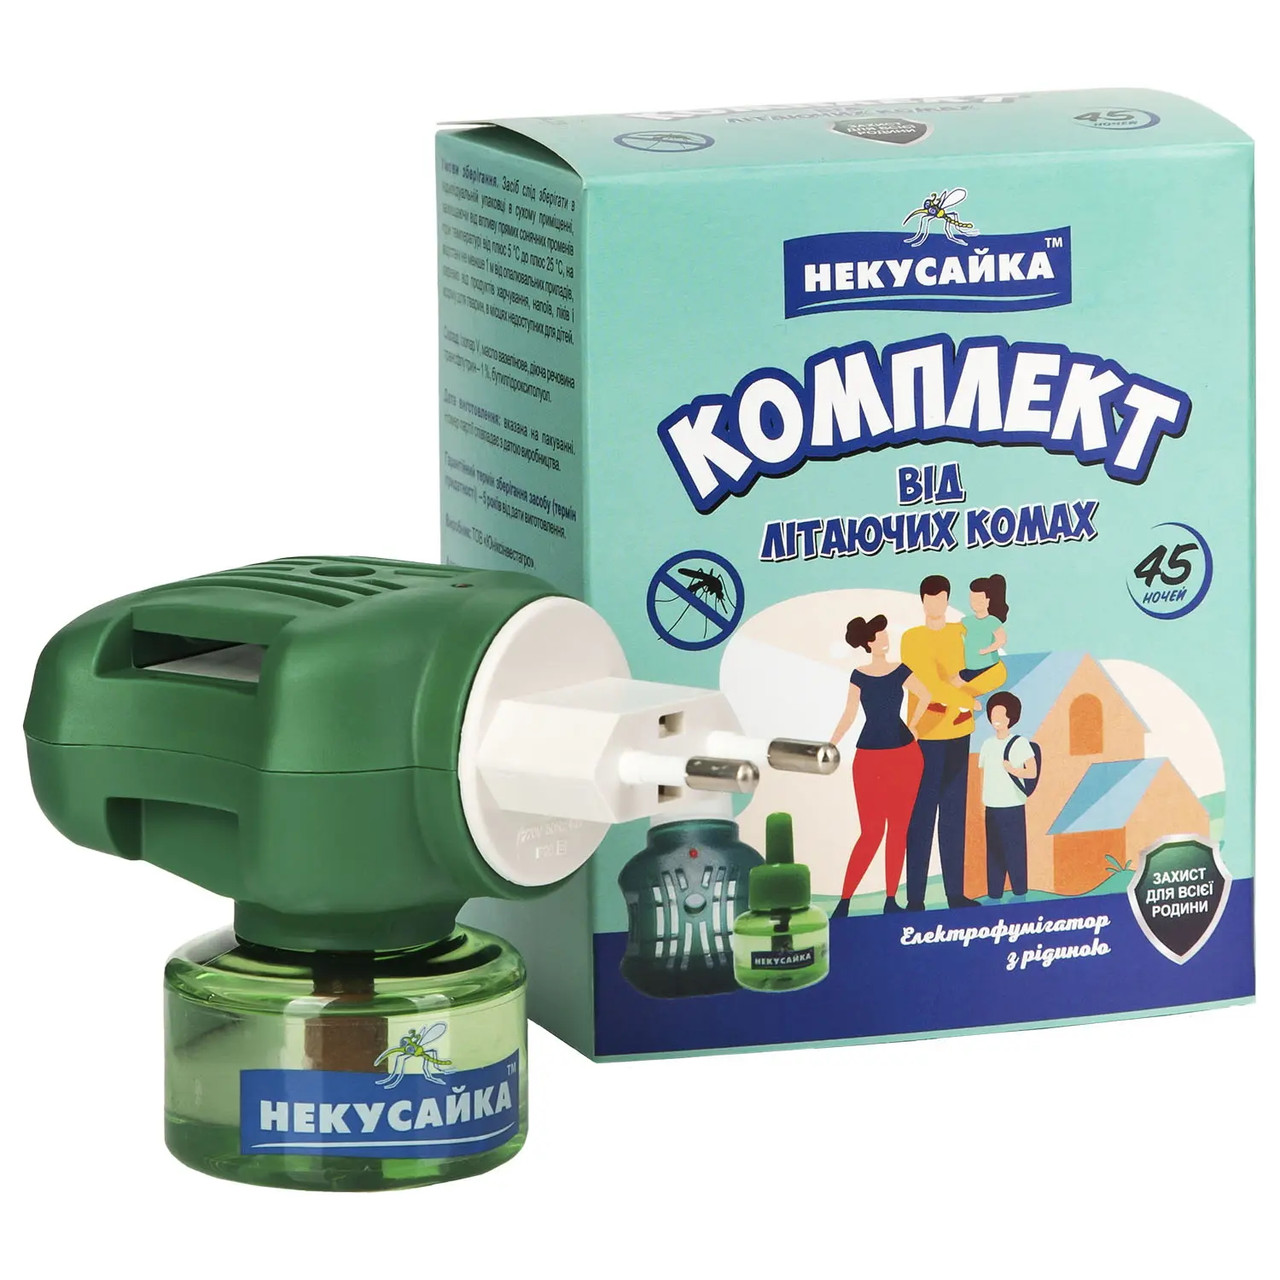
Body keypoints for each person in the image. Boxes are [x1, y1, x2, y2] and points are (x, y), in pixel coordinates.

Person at [900, 575, 1006, 910]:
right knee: (920, 817)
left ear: (947, 599)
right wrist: (964, 699)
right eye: (930, 598)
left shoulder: (962, 632)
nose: (936, 604)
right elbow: (929, 685)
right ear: (922, 601)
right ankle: (915, 899)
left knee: (954, 816)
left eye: (942, 597)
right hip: (925, 738)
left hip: (959, 735)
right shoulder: (912, 638)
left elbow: (996, 670)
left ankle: (954, 895)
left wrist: (962, 687)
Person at [828, 615, 931, 917]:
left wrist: (914, 725)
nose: (885, 638)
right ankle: (845, 901)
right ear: (869, 642)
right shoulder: (858, 675)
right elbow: (849, 713)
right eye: (880, 635)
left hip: (905, 755)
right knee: (871, 832)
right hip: (870, 758)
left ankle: (890, 900)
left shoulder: (900, 670)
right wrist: (832, 743)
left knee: (898, 830)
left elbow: (925, 694)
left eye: (885, 634)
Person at [977, 692, 1037, 900]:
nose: (997, 719)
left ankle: (1020, 892)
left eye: (1002, 714)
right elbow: (983, 774)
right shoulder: (987, 744)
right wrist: (982, 801)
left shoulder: (1020, 743)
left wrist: (1013, 770)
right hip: (991, 807)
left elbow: (1032, 772)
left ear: (1011, 717)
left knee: (1015, 852)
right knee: (994, 853)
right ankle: (994, 893)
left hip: (1013, 805)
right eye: (993, 714)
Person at [949, 575, 1010, 722]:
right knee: (951, 682)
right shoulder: (968, 620)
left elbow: (1001, 640)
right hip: (971, 665)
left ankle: (967, 708)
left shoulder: (992, 621)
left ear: (988, 601)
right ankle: (951, 704)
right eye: (972, 599)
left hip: (985, 665)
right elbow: (955, 630)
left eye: (979, 600)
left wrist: (987, 650)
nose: (975, 603)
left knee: (957, 686)